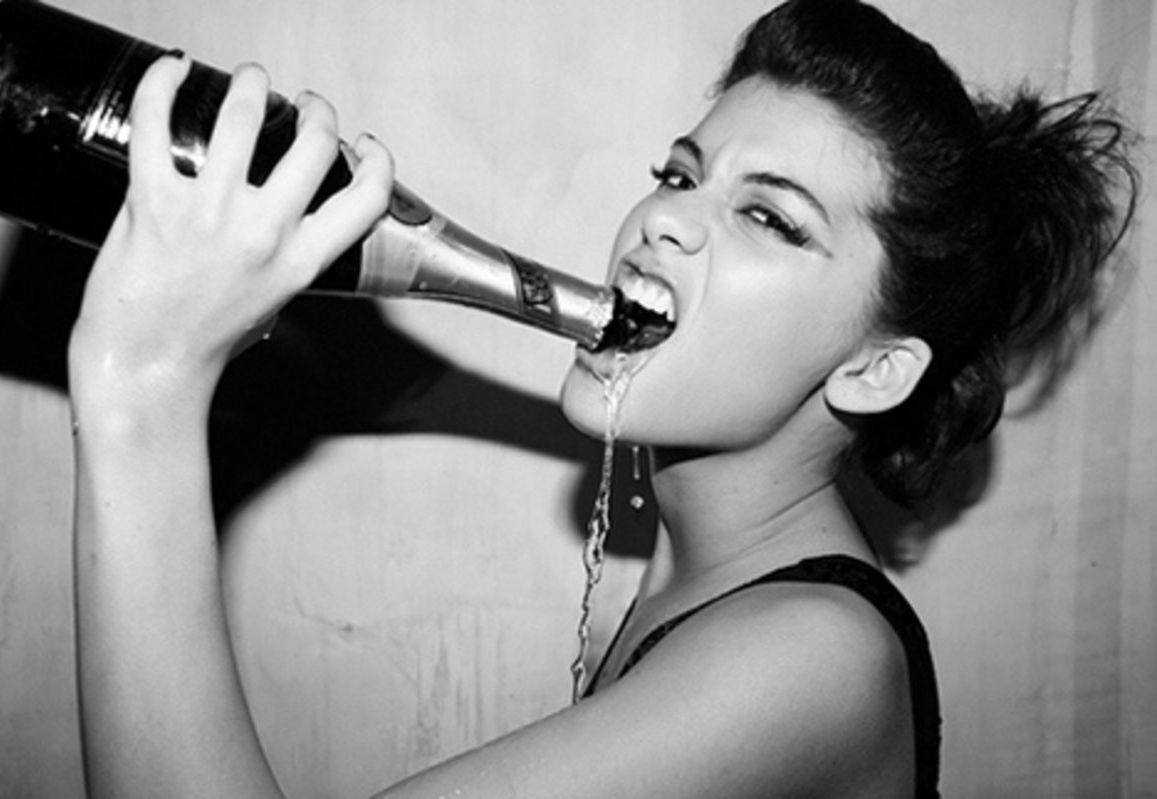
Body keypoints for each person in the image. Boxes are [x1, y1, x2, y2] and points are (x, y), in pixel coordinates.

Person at [66, 0, 1138, 796]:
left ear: (872, 369)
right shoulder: (697, 575)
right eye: (680, 175)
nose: (660, 220)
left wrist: (141, 386)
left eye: (770, 218)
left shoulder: (815, 656)